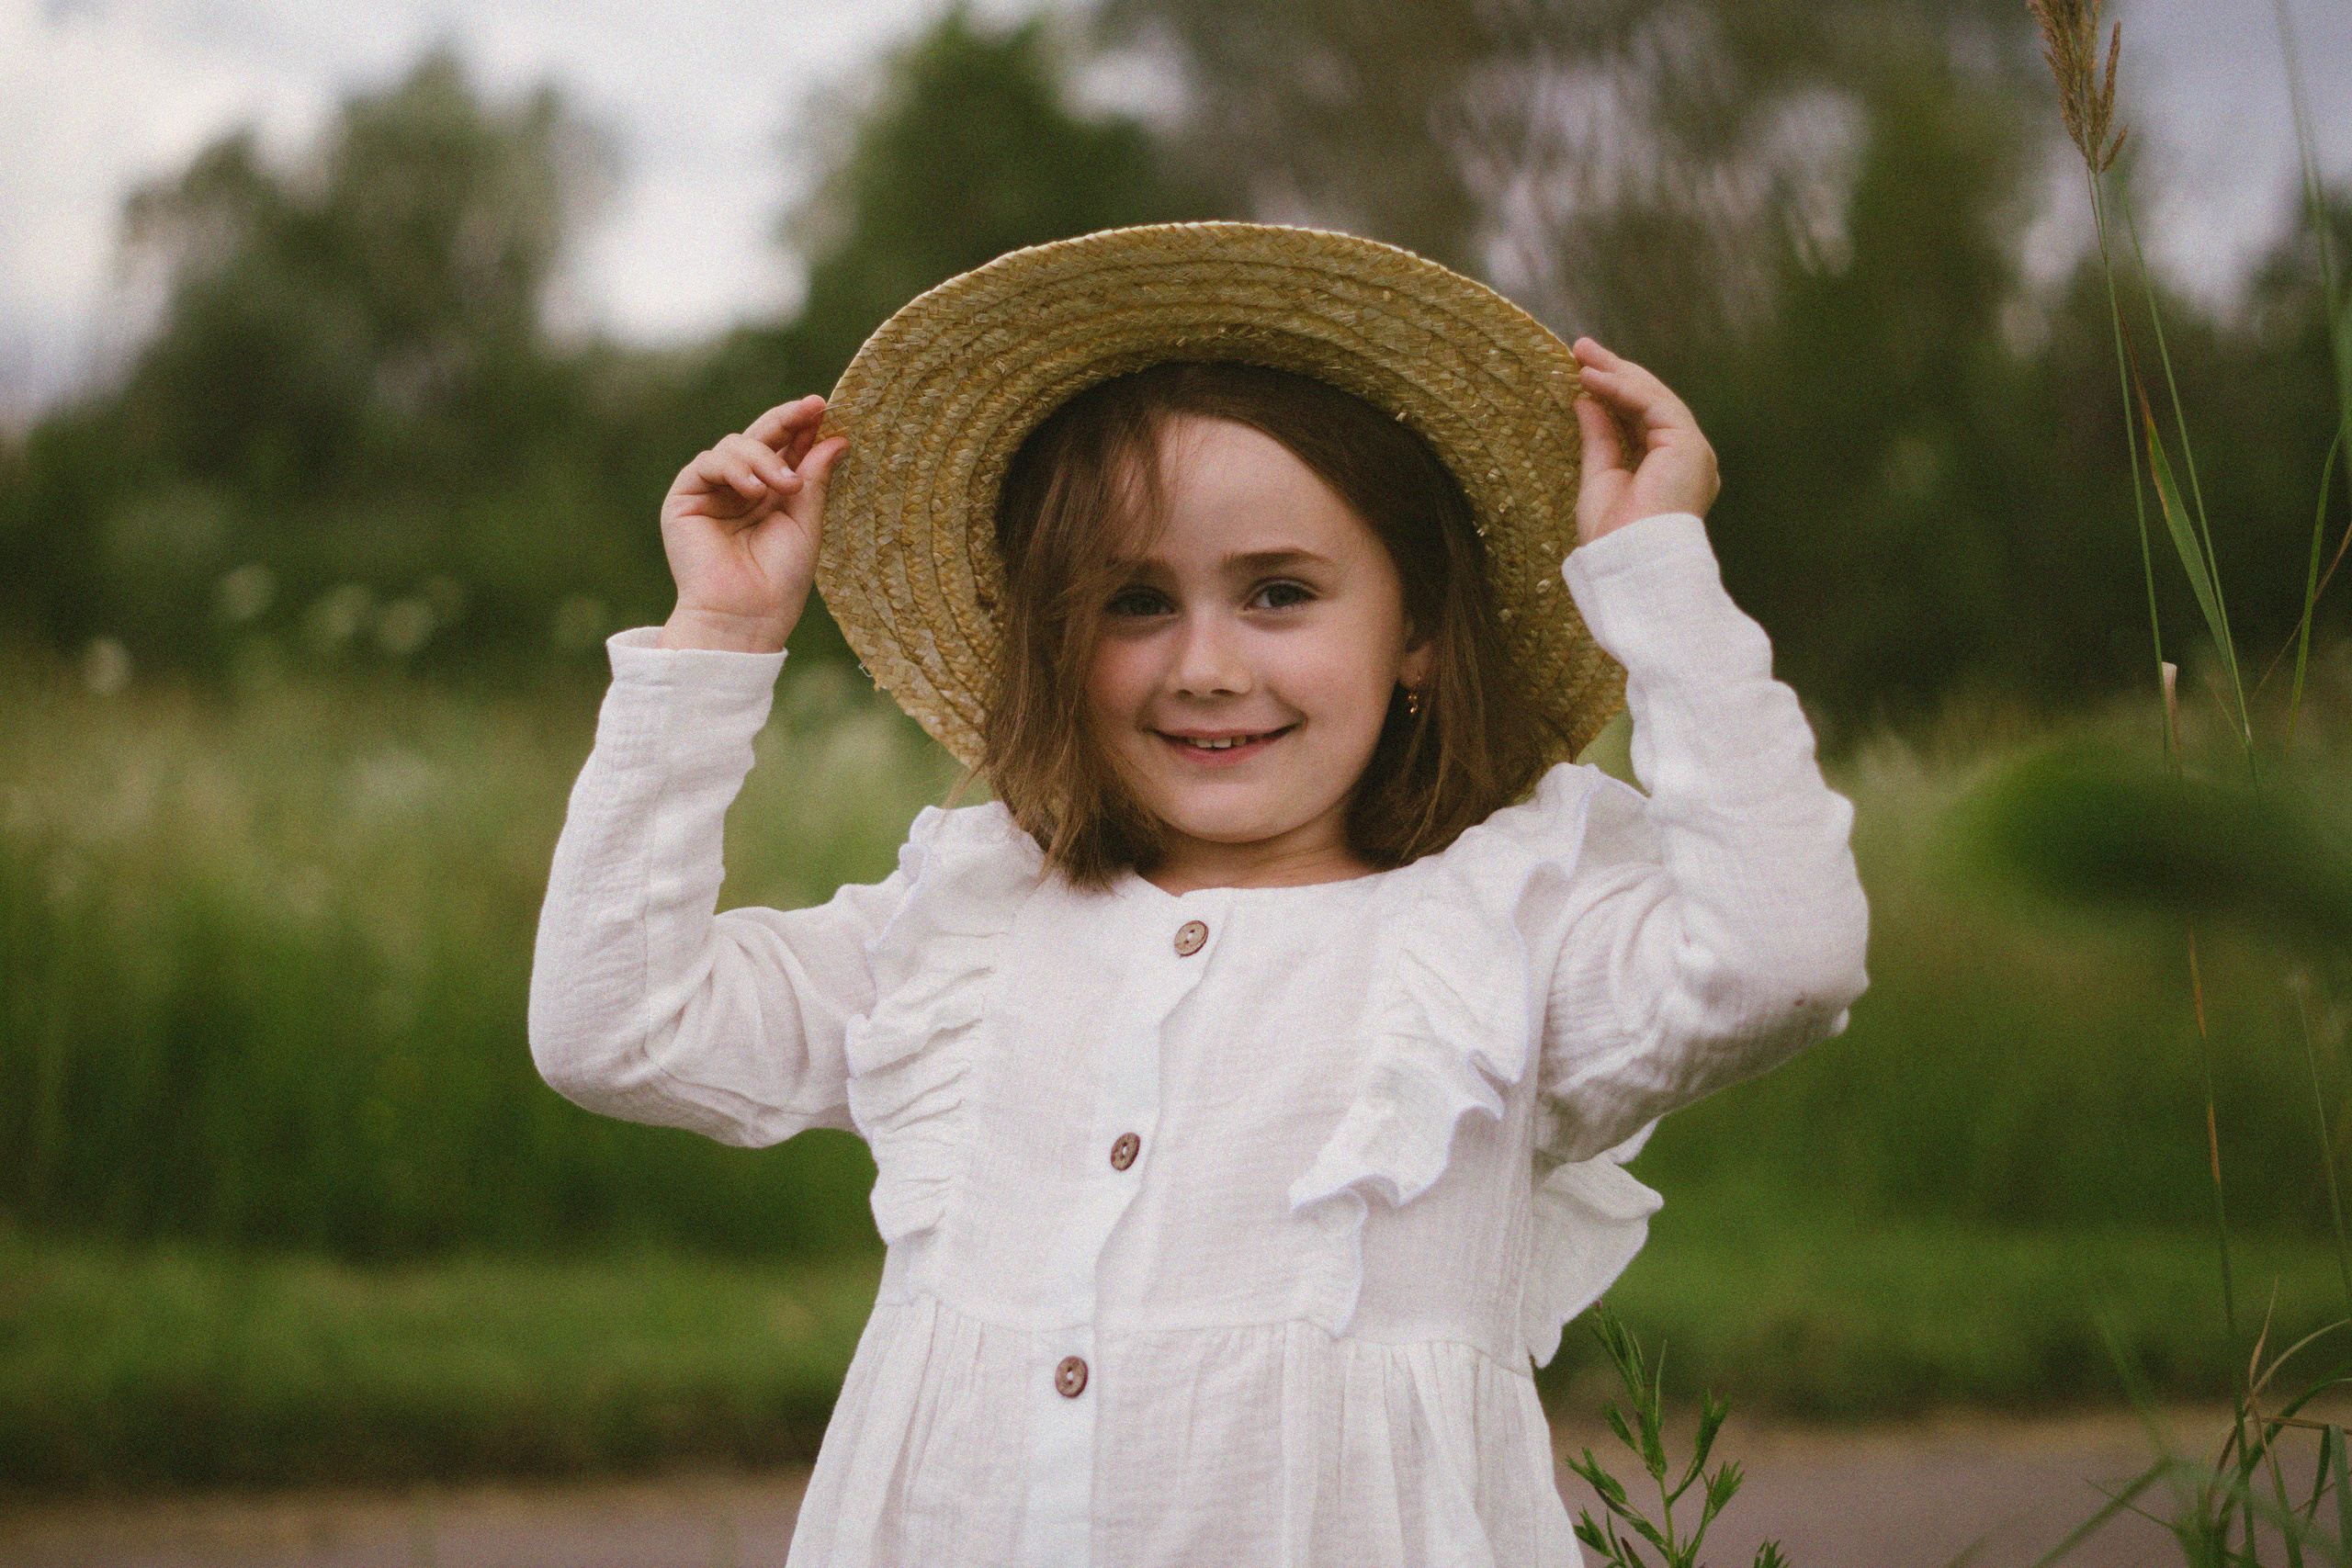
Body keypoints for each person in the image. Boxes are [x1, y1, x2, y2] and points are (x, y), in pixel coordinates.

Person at [529, 222, 1868, 1567]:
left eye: (1279, 593)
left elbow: (1785, 964)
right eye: (1134, 603)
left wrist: (1656, 575)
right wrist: (718, 638)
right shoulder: (965, 929)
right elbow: (617, 1029)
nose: (1206, 667)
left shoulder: (1497, 940)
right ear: (1057, 636)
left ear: (1414, 628)